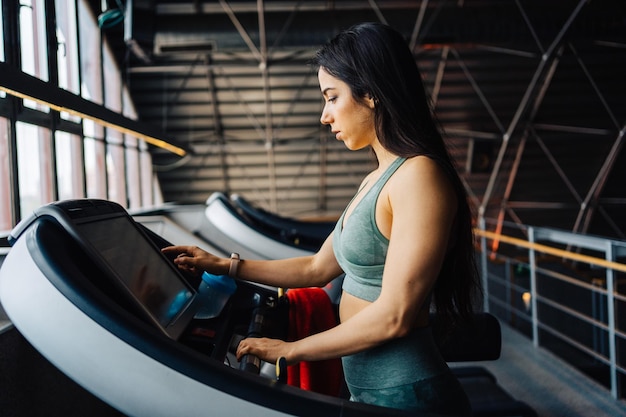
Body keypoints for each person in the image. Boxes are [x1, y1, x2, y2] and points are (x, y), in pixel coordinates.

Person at [162, 22, 480, 415]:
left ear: (371, 93)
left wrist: (291, 351)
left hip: (409, 395)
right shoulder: (377, 178)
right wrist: (226, 266)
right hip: (369, 390)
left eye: (332, 97)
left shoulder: (419, 177)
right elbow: (317, 267)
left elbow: (395, 316)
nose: (324, 116)